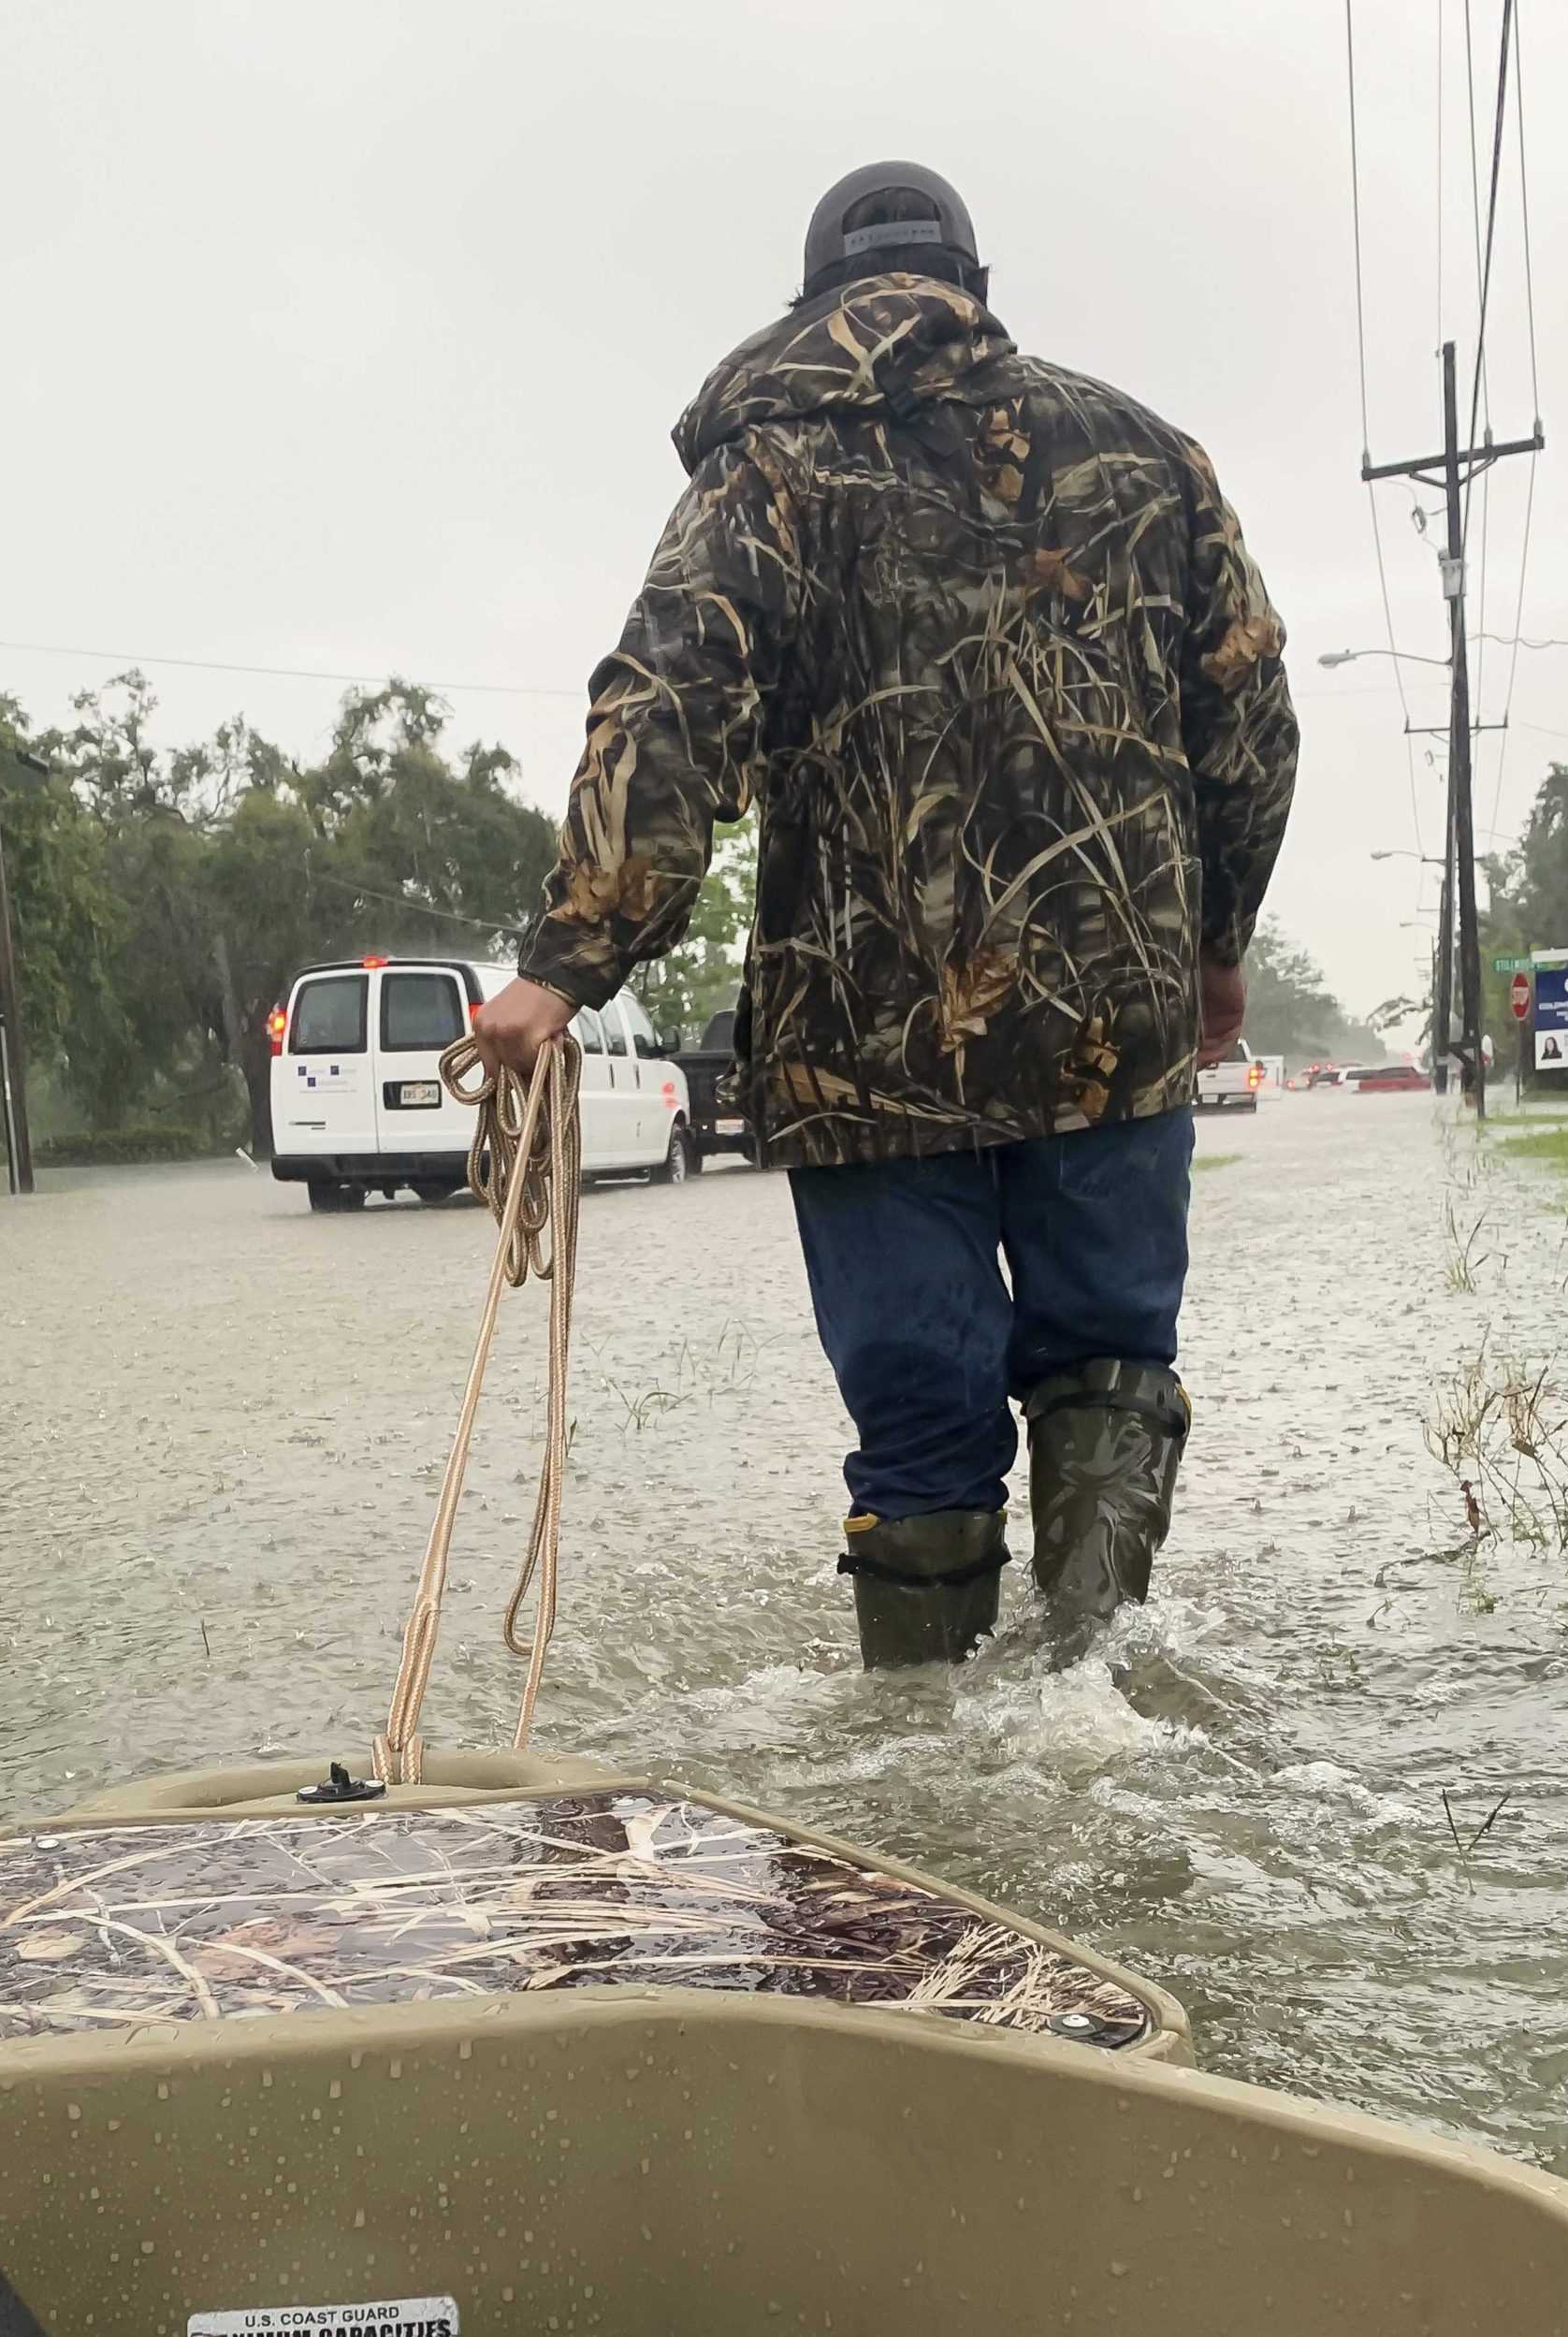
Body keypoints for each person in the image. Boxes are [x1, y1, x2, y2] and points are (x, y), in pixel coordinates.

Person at [477, 162, 1298, 1668]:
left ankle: (926, 1783)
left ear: (819, 307)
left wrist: (566, 964)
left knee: (921, 1423)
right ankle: (1083, 1707)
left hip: (868, 1047)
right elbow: (1249, 720)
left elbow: (672, 702)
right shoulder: (1153, 460)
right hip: (1107, 1022)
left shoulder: (770, 471)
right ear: (974, 293)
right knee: (1109, 1370)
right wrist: (1216, 940)